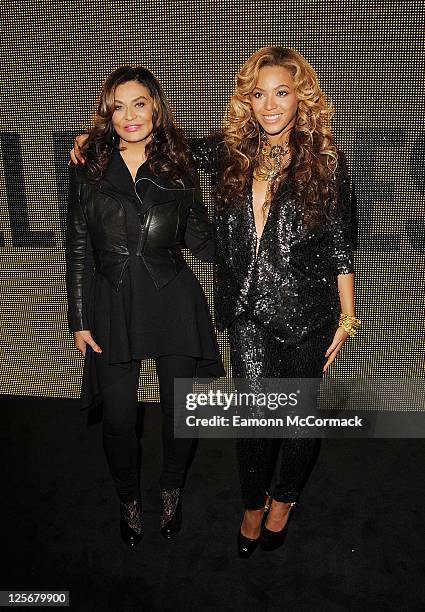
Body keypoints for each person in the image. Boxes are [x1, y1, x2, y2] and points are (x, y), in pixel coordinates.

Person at [70, 47, 359, 558]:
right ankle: (252, 505)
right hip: (245, 309)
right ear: (246, 101)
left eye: (282, 92)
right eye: (258, 93)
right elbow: (162, 142)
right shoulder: (229, 153)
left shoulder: (327, 164)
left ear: (301, 99)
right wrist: (92, 139)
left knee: (299, 420)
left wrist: (347, 316)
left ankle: (282, 503)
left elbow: (341, 245)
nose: (270, 104)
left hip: (308, 309)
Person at [65, 66, 224, 548]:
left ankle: (171, 490)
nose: (129, 115)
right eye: (118, 105)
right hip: (111, 302)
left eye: (139, 103)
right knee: (117, 418)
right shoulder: (87, 165)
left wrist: (254, 250)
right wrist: (78, 317)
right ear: (107, 113)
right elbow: (77, 244)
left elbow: (199, 236)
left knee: (180, 413)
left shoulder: (182, 162)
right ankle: (128, 499)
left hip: (173, 298)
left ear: (155, 106)